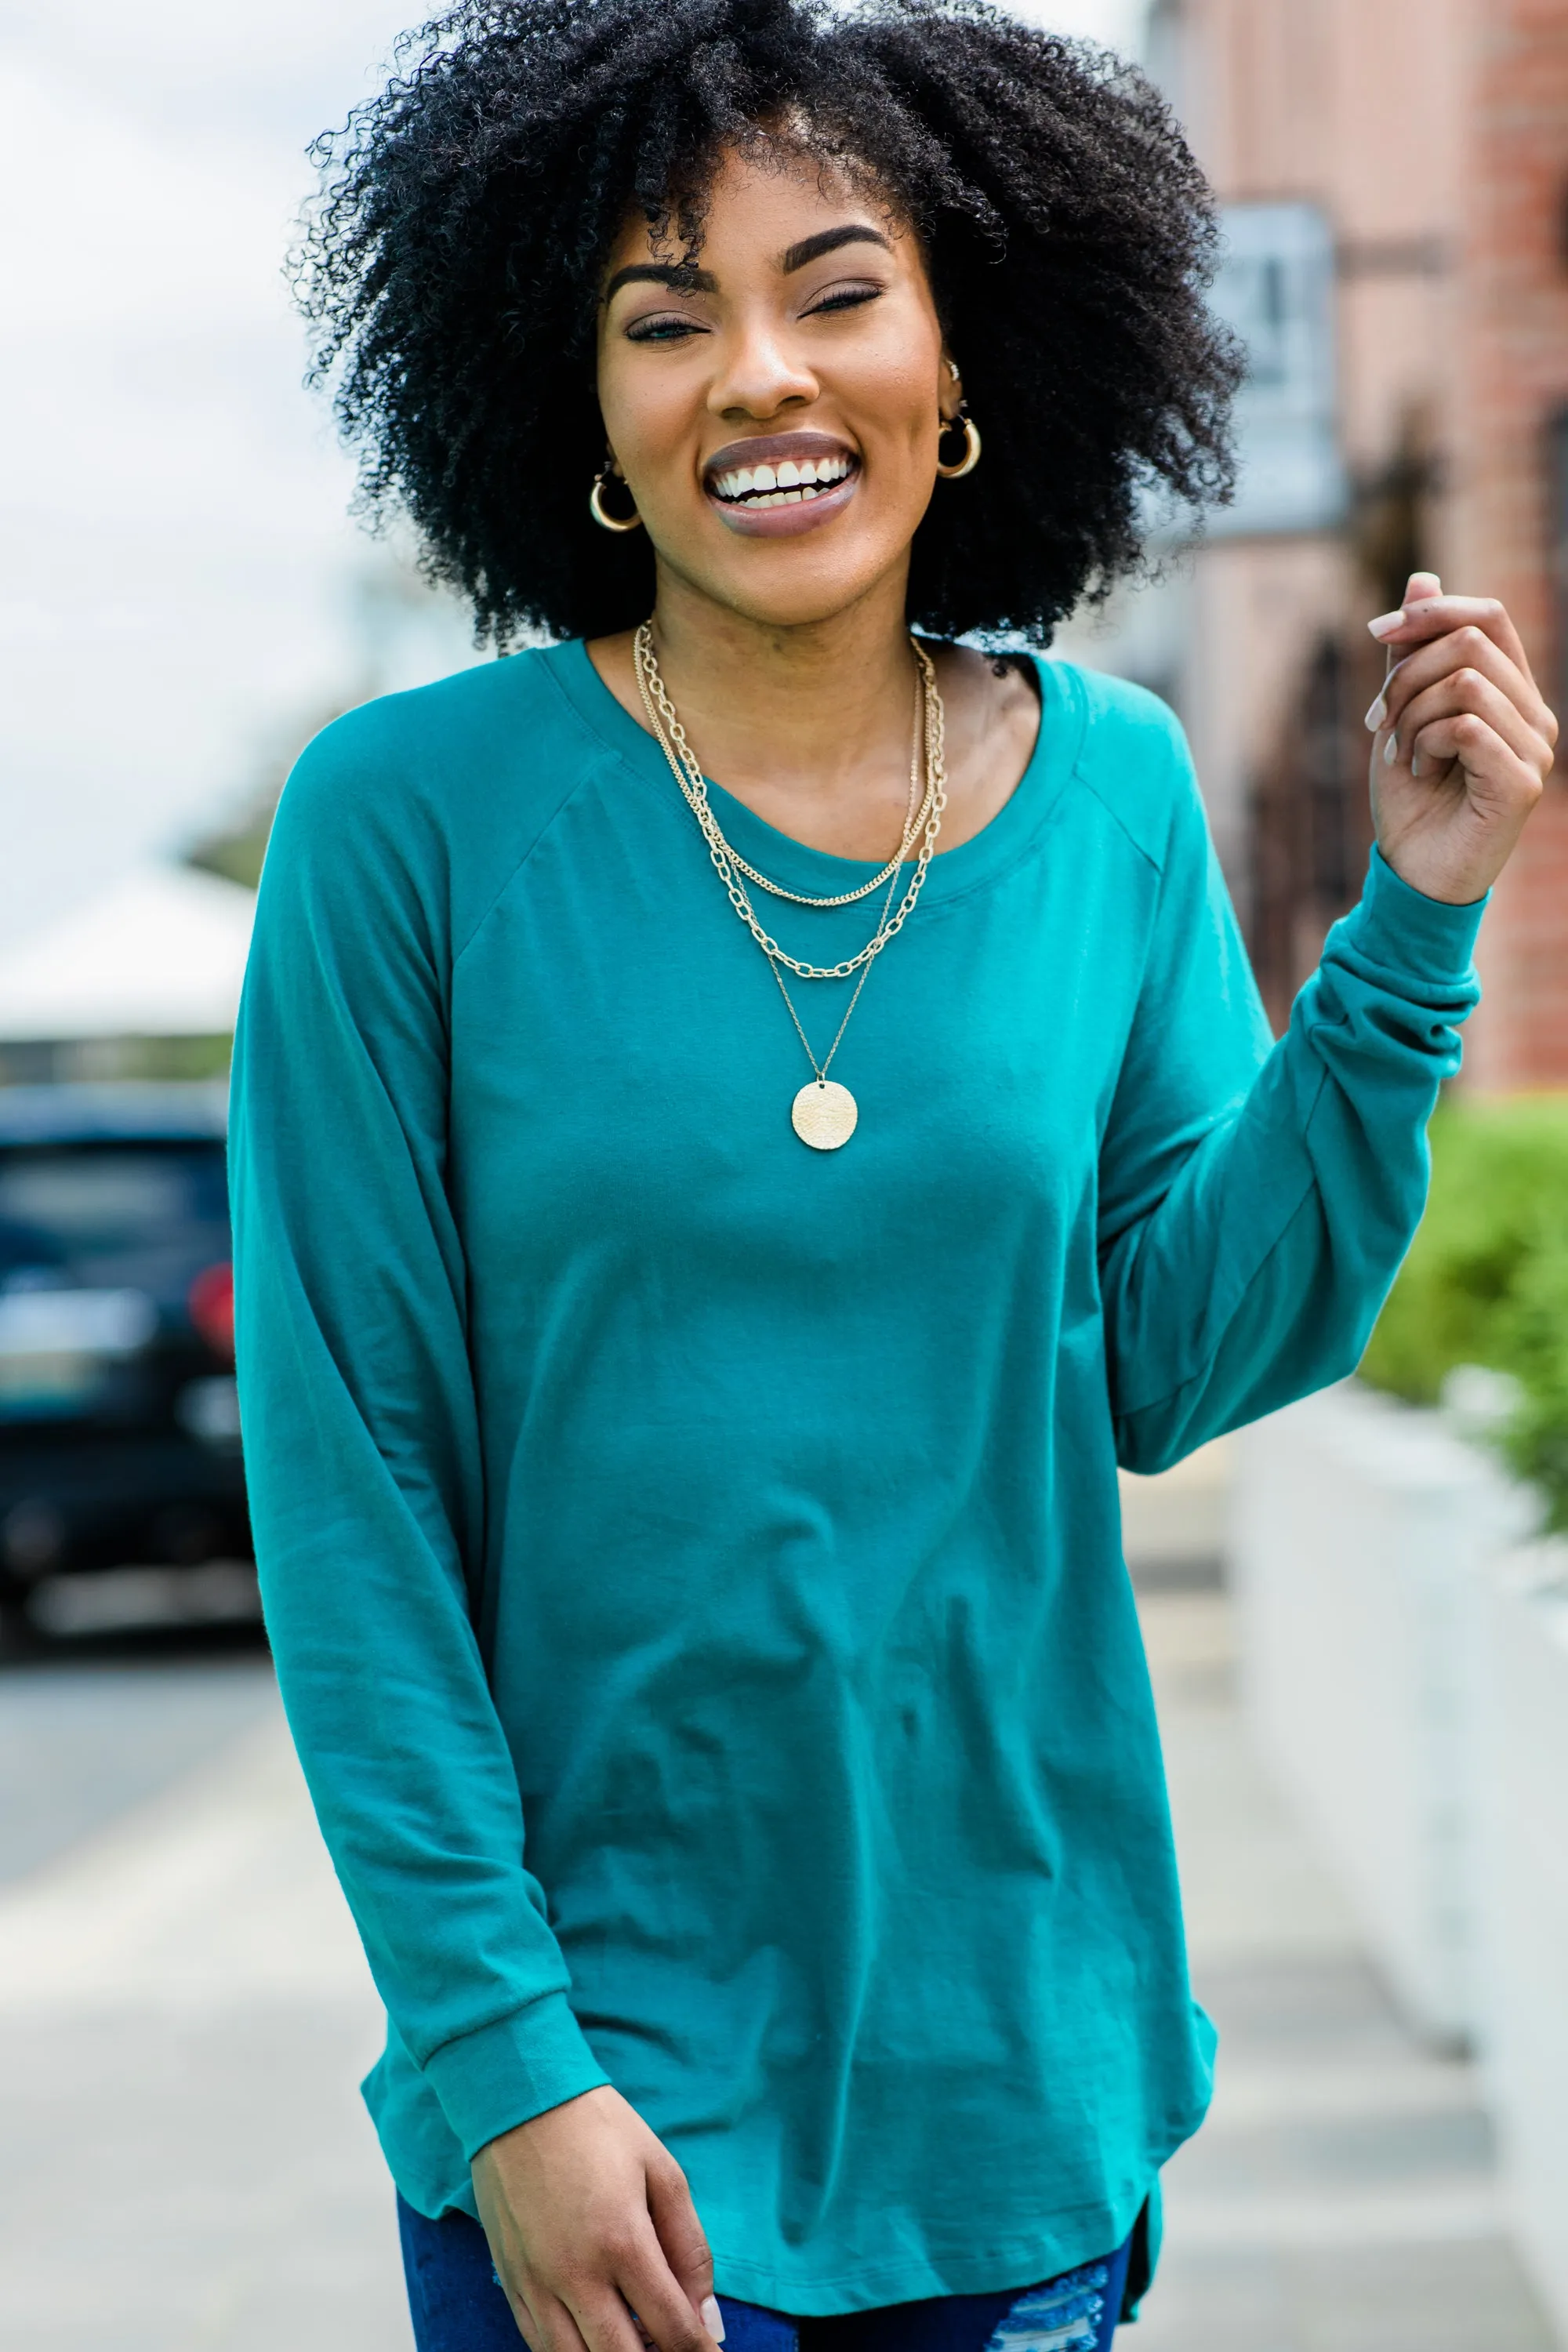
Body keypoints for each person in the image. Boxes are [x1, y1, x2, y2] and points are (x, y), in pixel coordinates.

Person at [230, 2, 1555, 2347]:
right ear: (592, 416)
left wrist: (1416, 927)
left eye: (837, 290)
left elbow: (1185, 1356)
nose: (760, 373)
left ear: (961, 368)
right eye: (667, 319)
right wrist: (504, 2066)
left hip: (1013, 2085)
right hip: (598, 2122)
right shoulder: (403, 826)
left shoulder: (1120, 788)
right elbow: (355, 1500)